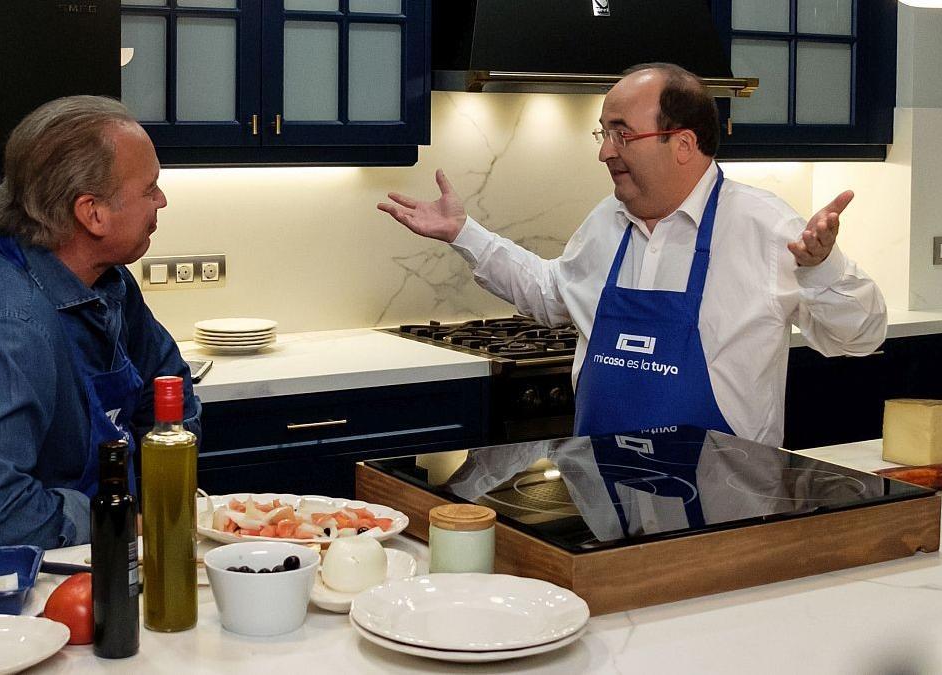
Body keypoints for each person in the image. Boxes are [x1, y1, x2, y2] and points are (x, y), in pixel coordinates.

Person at [378, 63, 887, 447]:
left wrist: (824, 267)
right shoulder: (606, 222)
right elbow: (551, 294)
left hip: (726, 509)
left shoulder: (766, 227)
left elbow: (860, 338)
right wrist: (464, 233)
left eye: (623, 133)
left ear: (683, 144)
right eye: (604, 132)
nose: (605, 151)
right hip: (603, 501)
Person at [0, 96, 200, 557]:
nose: (162, 200)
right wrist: (115, 518)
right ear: (92, 213)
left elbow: (170, 390)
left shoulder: (110, 282)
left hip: (96, 557)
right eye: (150, 188)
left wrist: (159, 495)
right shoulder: (8, 326)